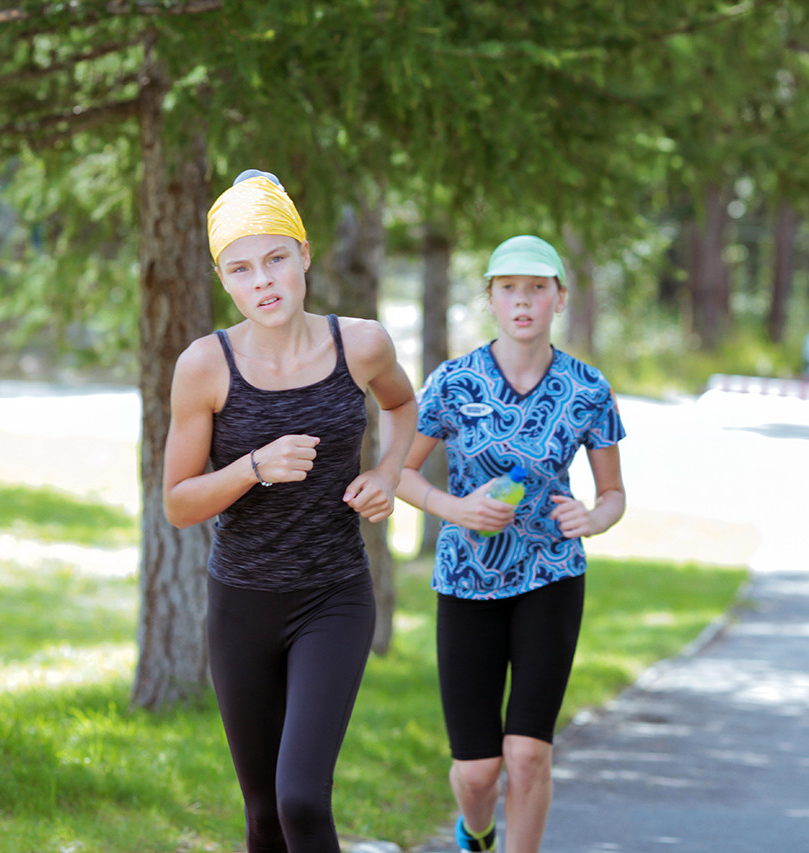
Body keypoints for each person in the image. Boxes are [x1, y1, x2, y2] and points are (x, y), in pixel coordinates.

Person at [162, 169, 417, 852]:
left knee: (300, 797)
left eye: (276, 258)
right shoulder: (205, 365)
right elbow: (178, 503)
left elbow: (402, 406)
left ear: (305, 254)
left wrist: (388, 471)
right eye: (241, 268)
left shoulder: (359, 345)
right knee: (264, 816)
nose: (263, 280)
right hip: (241, 600)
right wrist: (252, 466)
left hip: (332, 596)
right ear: (225, 280)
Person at [397, 234, 627, 852]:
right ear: (492, 300)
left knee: (527, 756)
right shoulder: (452, 382)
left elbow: (613, 494)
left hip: (550, 575)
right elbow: (401, 473)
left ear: (558, 299)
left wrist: (594, 519)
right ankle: (477, 832)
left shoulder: (588, 389)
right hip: (467, 579)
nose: (522, 301)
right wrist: (456, 509)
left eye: (536, 289)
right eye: (508, 289)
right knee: (478, 773)